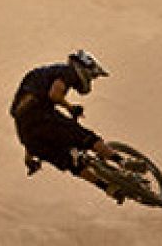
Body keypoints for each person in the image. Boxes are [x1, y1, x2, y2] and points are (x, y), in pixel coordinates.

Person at [10, 50, 125, 199]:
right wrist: (71, 108)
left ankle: (109, 189)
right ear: (84, 67)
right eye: (92, 76)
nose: (90, 80)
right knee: (85, 137)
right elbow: (54, 95)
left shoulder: (39, 77)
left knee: (72, 164)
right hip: (41, 115)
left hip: (26, 134)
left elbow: (28, 128)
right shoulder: (67, 71)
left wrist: (29, 158)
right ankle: (123, 161)